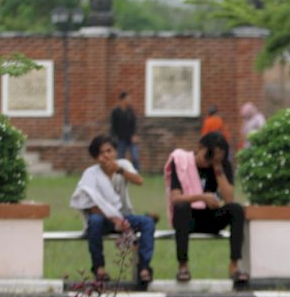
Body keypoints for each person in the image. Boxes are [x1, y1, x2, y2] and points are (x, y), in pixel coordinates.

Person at [70, 135, 155, 283]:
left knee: (147, 222)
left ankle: (144, 268)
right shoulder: (91, 174)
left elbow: (139, 180)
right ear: (96, 157)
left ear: (115, 152)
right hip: (104, 220)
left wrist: (119, 170)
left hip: (124, 216)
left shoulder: (123, 165)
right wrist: (114, 219)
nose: (106, 155)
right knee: (95, 221)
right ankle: (99, 268)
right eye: (101, 153)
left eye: (109, 151)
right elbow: (90, 205)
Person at [165, 131, 247, 283]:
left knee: (236, 209)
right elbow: (175, 198)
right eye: (209, 156)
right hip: (189, 218)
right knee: (181, 207)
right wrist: (201, 197)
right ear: (200, 147)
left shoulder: (222, 166)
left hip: (211, 217)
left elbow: (229, 198)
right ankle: (183, 266)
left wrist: (217, 167)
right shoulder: (182, 163)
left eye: (216, 158)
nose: (209, 161)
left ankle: (234, 265)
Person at [110, 91, 140, 171]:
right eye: (128, 98)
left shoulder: (130, 112)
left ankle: (135, 172)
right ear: (122, 99)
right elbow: (113, 126)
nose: (130, 100)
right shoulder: (116, 112)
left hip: (130, 138)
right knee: (120, 157)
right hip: (120, 138)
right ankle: (120, 172)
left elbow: (133, 124)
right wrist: (113, 138)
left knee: (135, 156)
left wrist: (134, 135)